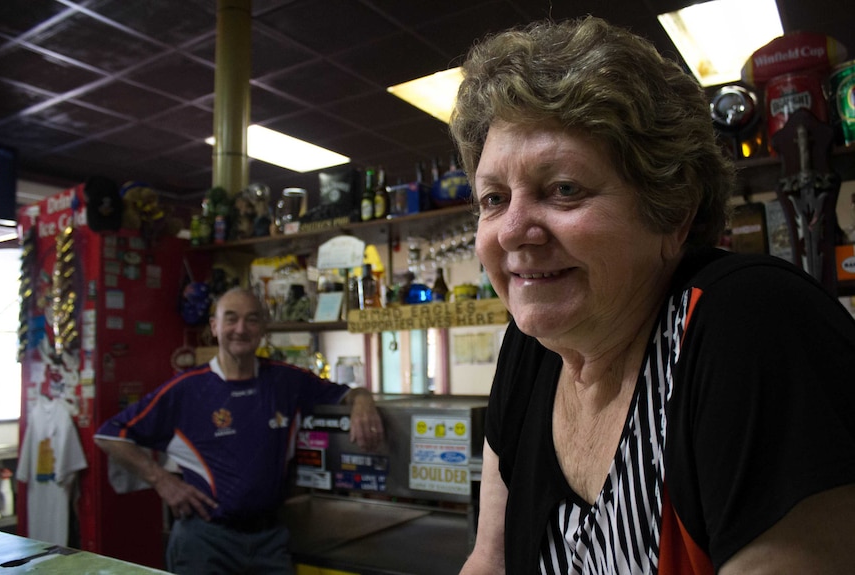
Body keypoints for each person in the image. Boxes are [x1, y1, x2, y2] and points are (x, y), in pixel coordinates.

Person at [449, 16, 855, 575]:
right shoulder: (527, 349)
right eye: (494, 199)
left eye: (563, 189)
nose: (514, 229)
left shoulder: (750, 327)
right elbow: (489, 560)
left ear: (673, 213)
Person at [94, 287, 383, 574]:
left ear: (263, 329)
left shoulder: (287, 381)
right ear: (215, 326)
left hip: (270, 541)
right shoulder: (186, 389)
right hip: (205, 541)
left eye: (252, 319)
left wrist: (364, 401)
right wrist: (162, 481)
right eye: (231, 318)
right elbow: (109, 434)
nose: (241, 329)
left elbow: (348, 393)